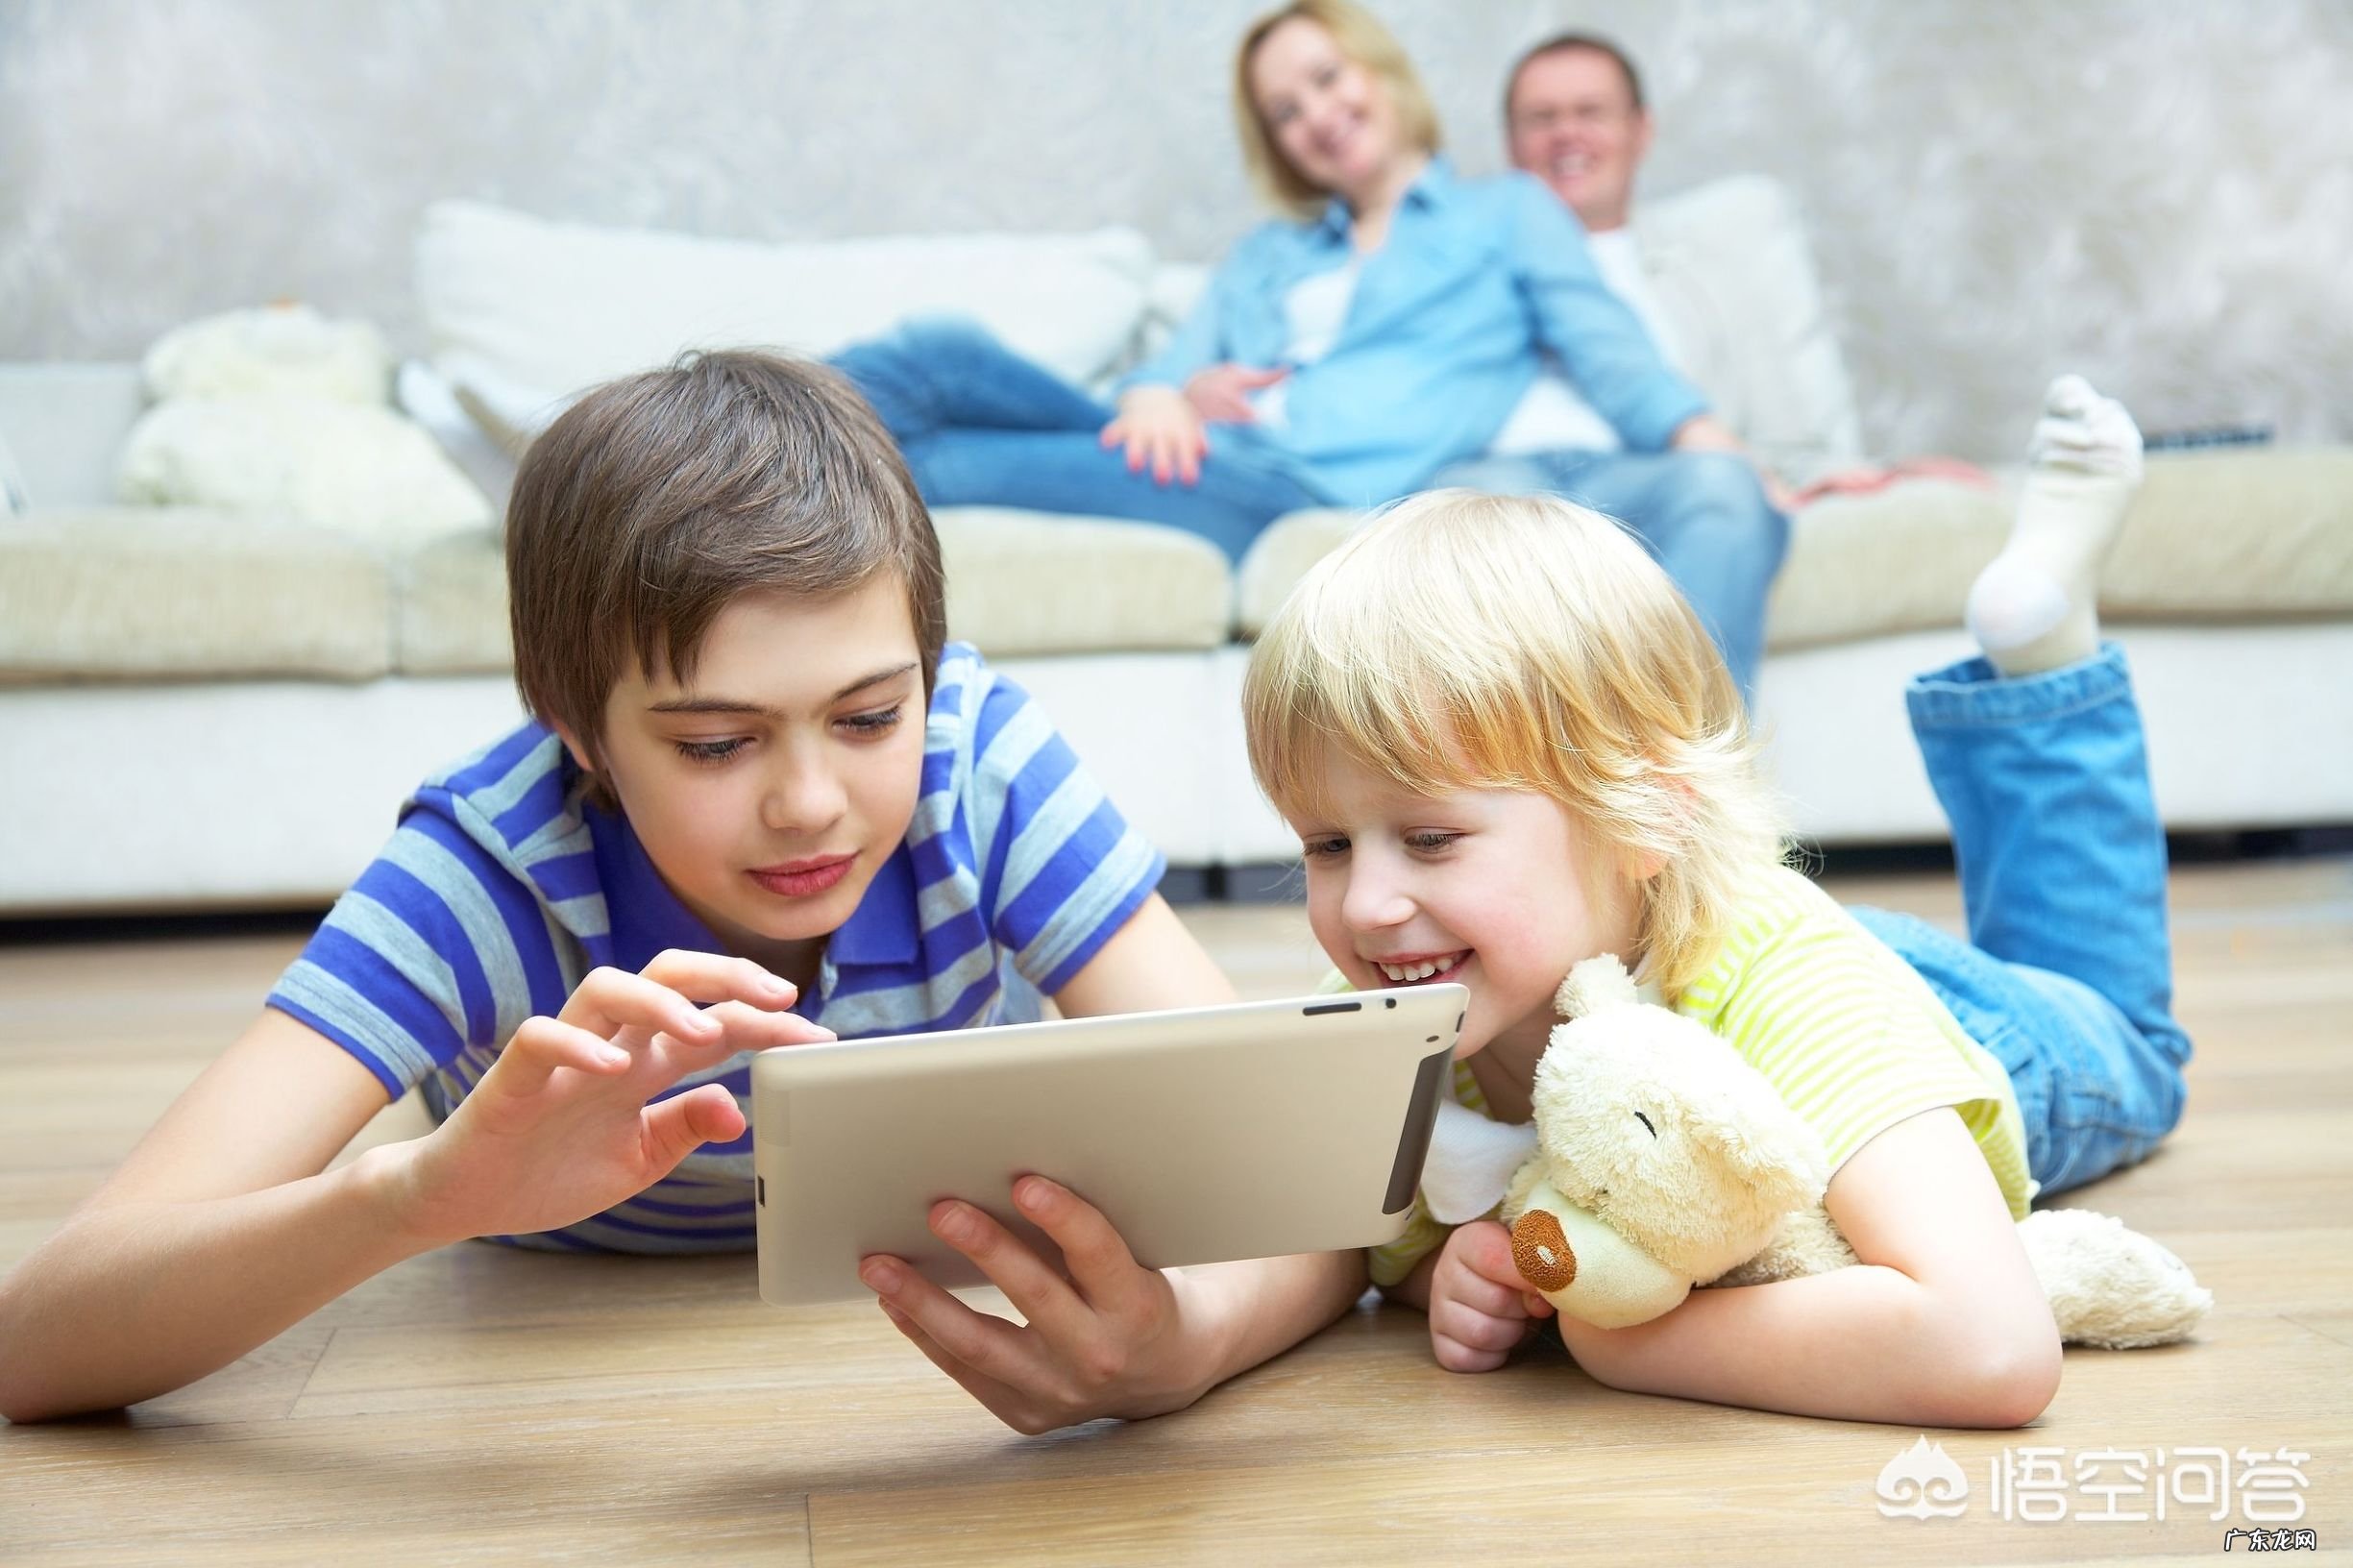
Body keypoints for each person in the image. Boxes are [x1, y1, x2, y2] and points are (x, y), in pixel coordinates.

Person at [0, 352, 1364, 1429]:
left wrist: (1186, 1348)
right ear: (577, 733)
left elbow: (1312, 1175)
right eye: (715, 743)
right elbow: (39, 1338)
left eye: (870, 716)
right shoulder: (485, 870)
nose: (810, 803)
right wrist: (416, 1196)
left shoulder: (978, 770)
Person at [1240, 376, 2193, 1425]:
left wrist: (1618, 1338)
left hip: (1955, 1028)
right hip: (1691, 937)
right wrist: (1467, 1273)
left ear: (1644, 816)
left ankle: (2040, 660)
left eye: (1430, 840)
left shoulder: (1796, 987)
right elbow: (1397, 1250)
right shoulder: (1389, 1006)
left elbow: (1990, 1347)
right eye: (1327, 845)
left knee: (2132, 1042)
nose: (1367, 907)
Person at [827, 0, 1745, 568]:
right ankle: (737, 447)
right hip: (1198, 456)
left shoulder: (1505, 212)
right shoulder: (1269, 255)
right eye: (1285, 111)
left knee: (935, 464)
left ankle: (742, 490)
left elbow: (1610, 351)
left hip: (1292, 489)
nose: (1317, 116)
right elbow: (1166, 374)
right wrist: (1161, 392)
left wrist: (1718, 454)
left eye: (1326, 78)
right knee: (940, 353)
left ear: (1377, 70)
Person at [1434, 32, 1793, 703]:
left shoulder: (1706, 276)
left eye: (1590, 112)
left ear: (1640, 130)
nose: (1565, 134)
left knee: (1723, 484)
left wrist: (1825, 473)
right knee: (1474, 518)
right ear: (1510, 143)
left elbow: (1779, 432)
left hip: (1653, 478)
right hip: (1499, 475)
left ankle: (1684, 763)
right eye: (1541, 118)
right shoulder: (1458, 261)